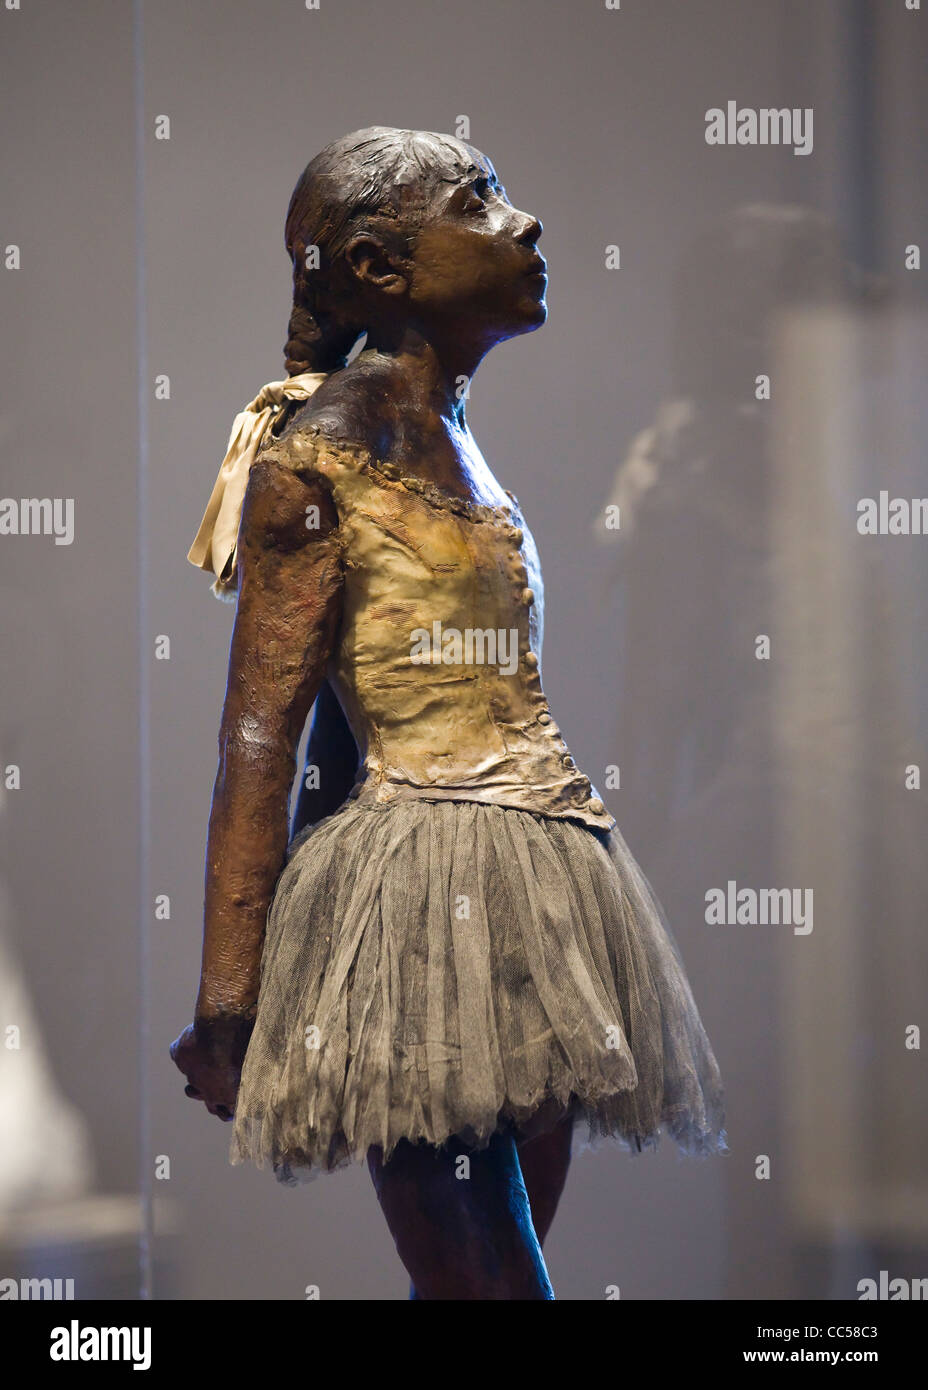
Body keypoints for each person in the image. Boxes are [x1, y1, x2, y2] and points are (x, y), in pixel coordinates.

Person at [171, 127, 725, 1300]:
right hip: (414, 909)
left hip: (537, 891)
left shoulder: (452, 435)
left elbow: (322, 723)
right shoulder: (321, 453)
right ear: (379, 267)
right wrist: (233, 991)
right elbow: (264, 728)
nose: (522, 226)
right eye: (480, 203)